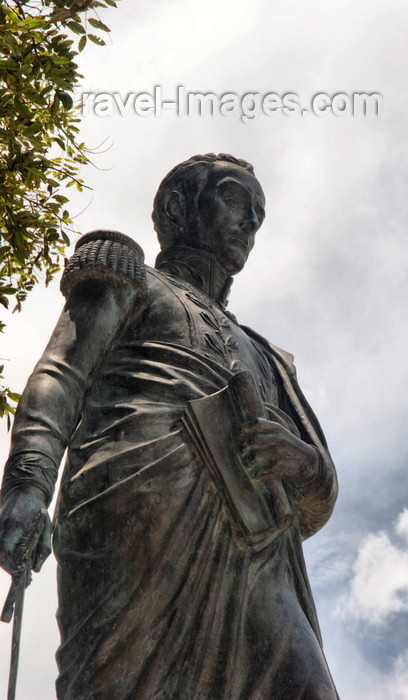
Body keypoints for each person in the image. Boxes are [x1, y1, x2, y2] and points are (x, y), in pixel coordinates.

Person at [0, 154, 339, 699]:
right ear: (181, 206)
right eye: (234, 200)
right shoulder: (127, 278)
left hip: (257, 549)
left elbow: (316, 501)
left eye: (258, 213)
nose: (250, 222)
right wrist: (27, 482)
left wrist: (302, 461)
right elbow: (61, 373)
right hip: (134, 506)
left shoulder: (268, 356)